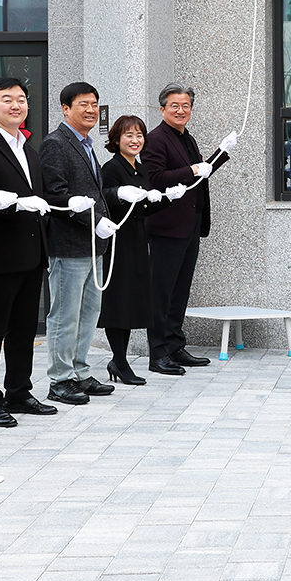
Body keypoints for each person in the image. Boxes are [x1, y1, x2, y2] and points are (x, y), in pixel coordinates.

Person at [0, 77, 57, 428]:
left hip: (32, 254)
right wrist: (13, 204)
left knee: (23, 331)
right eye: (7, 99)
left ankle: (19, 392)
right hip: (0, 257)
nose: (16, 105)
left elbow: (40, 197)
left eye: (21, 99)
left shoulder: (29, 150)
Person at [141, 84, 233, 375]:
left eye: (186, 106)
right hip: (166, 226)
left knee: (180, 290)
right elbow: (156, 178)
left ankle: (175, 345)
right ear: (162, 109)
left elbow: (198, 175)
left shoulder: (186, 137)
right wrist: (194, 169)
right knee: (161, 292)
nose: (181, 111)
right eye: (174, 106)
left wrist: (220, 154)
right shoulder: (155, 139)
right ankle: (158, 353)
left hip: (190, 223)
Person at [37, 82, 119, 405]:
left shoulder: (86, 144)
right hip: (68, 246)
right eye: (83, 104)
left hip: (93, 246)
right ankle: (60, 379)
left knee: (88, 314)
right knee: (65, 315)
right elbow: (56, 194)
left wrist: (111, 204)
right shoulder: (55, 143)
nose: (91, 110)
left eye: (94, 104)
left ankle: (80, 372)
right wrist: (93, 219)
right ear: (65, 109)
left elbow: (92, 191)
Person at [99, 115, 160, 386]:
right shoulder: (111, 168)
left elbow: (144, 207)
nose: (135, 140)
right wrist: (120, 193)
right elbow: (104, 198)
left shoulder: (141, 168)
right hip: (117, 240)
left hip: (137, 239)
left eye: (139, 135)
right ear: (117, 139)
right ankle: (119, 361)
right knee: (118, 302)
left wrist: (166, 197)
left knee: (132, 300)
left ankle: (119, 360)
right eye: (129, 135)